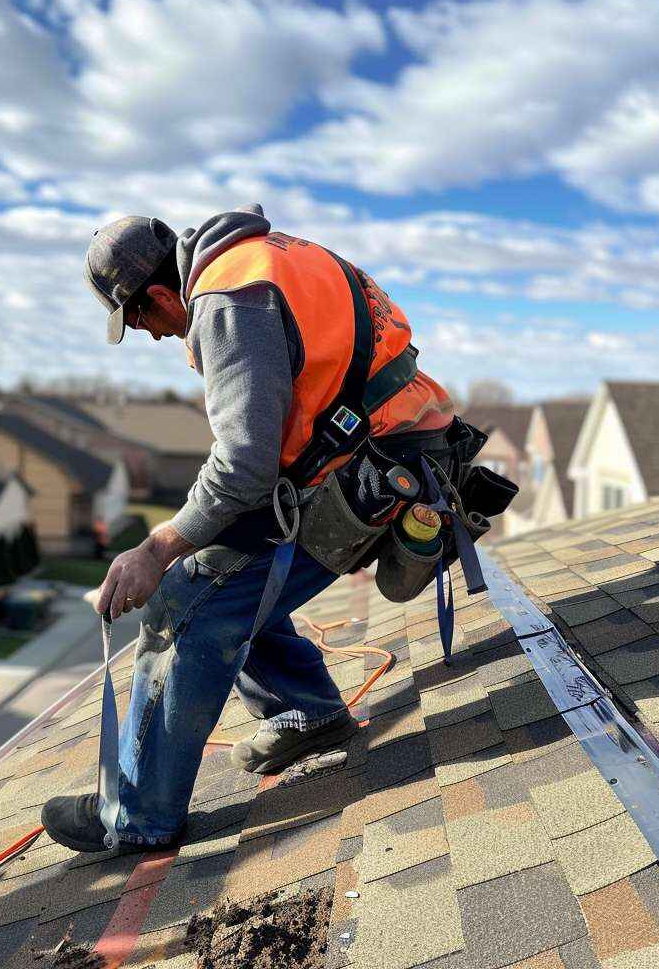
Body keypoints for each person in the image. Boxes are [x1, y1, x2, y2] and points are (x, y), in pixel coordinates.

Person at [41, 204, 455, 855]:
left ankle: (138, 815)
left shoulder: (229, 300)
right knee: (225, 565)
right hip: (396, 448)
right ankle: (306, 709)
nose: (153, 337)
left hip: (375, 470)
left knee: (184, 601)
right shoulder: (268, 256)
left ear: (158, 296)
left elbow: (243, 467)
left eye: (142, 322)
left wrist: (156, 547)